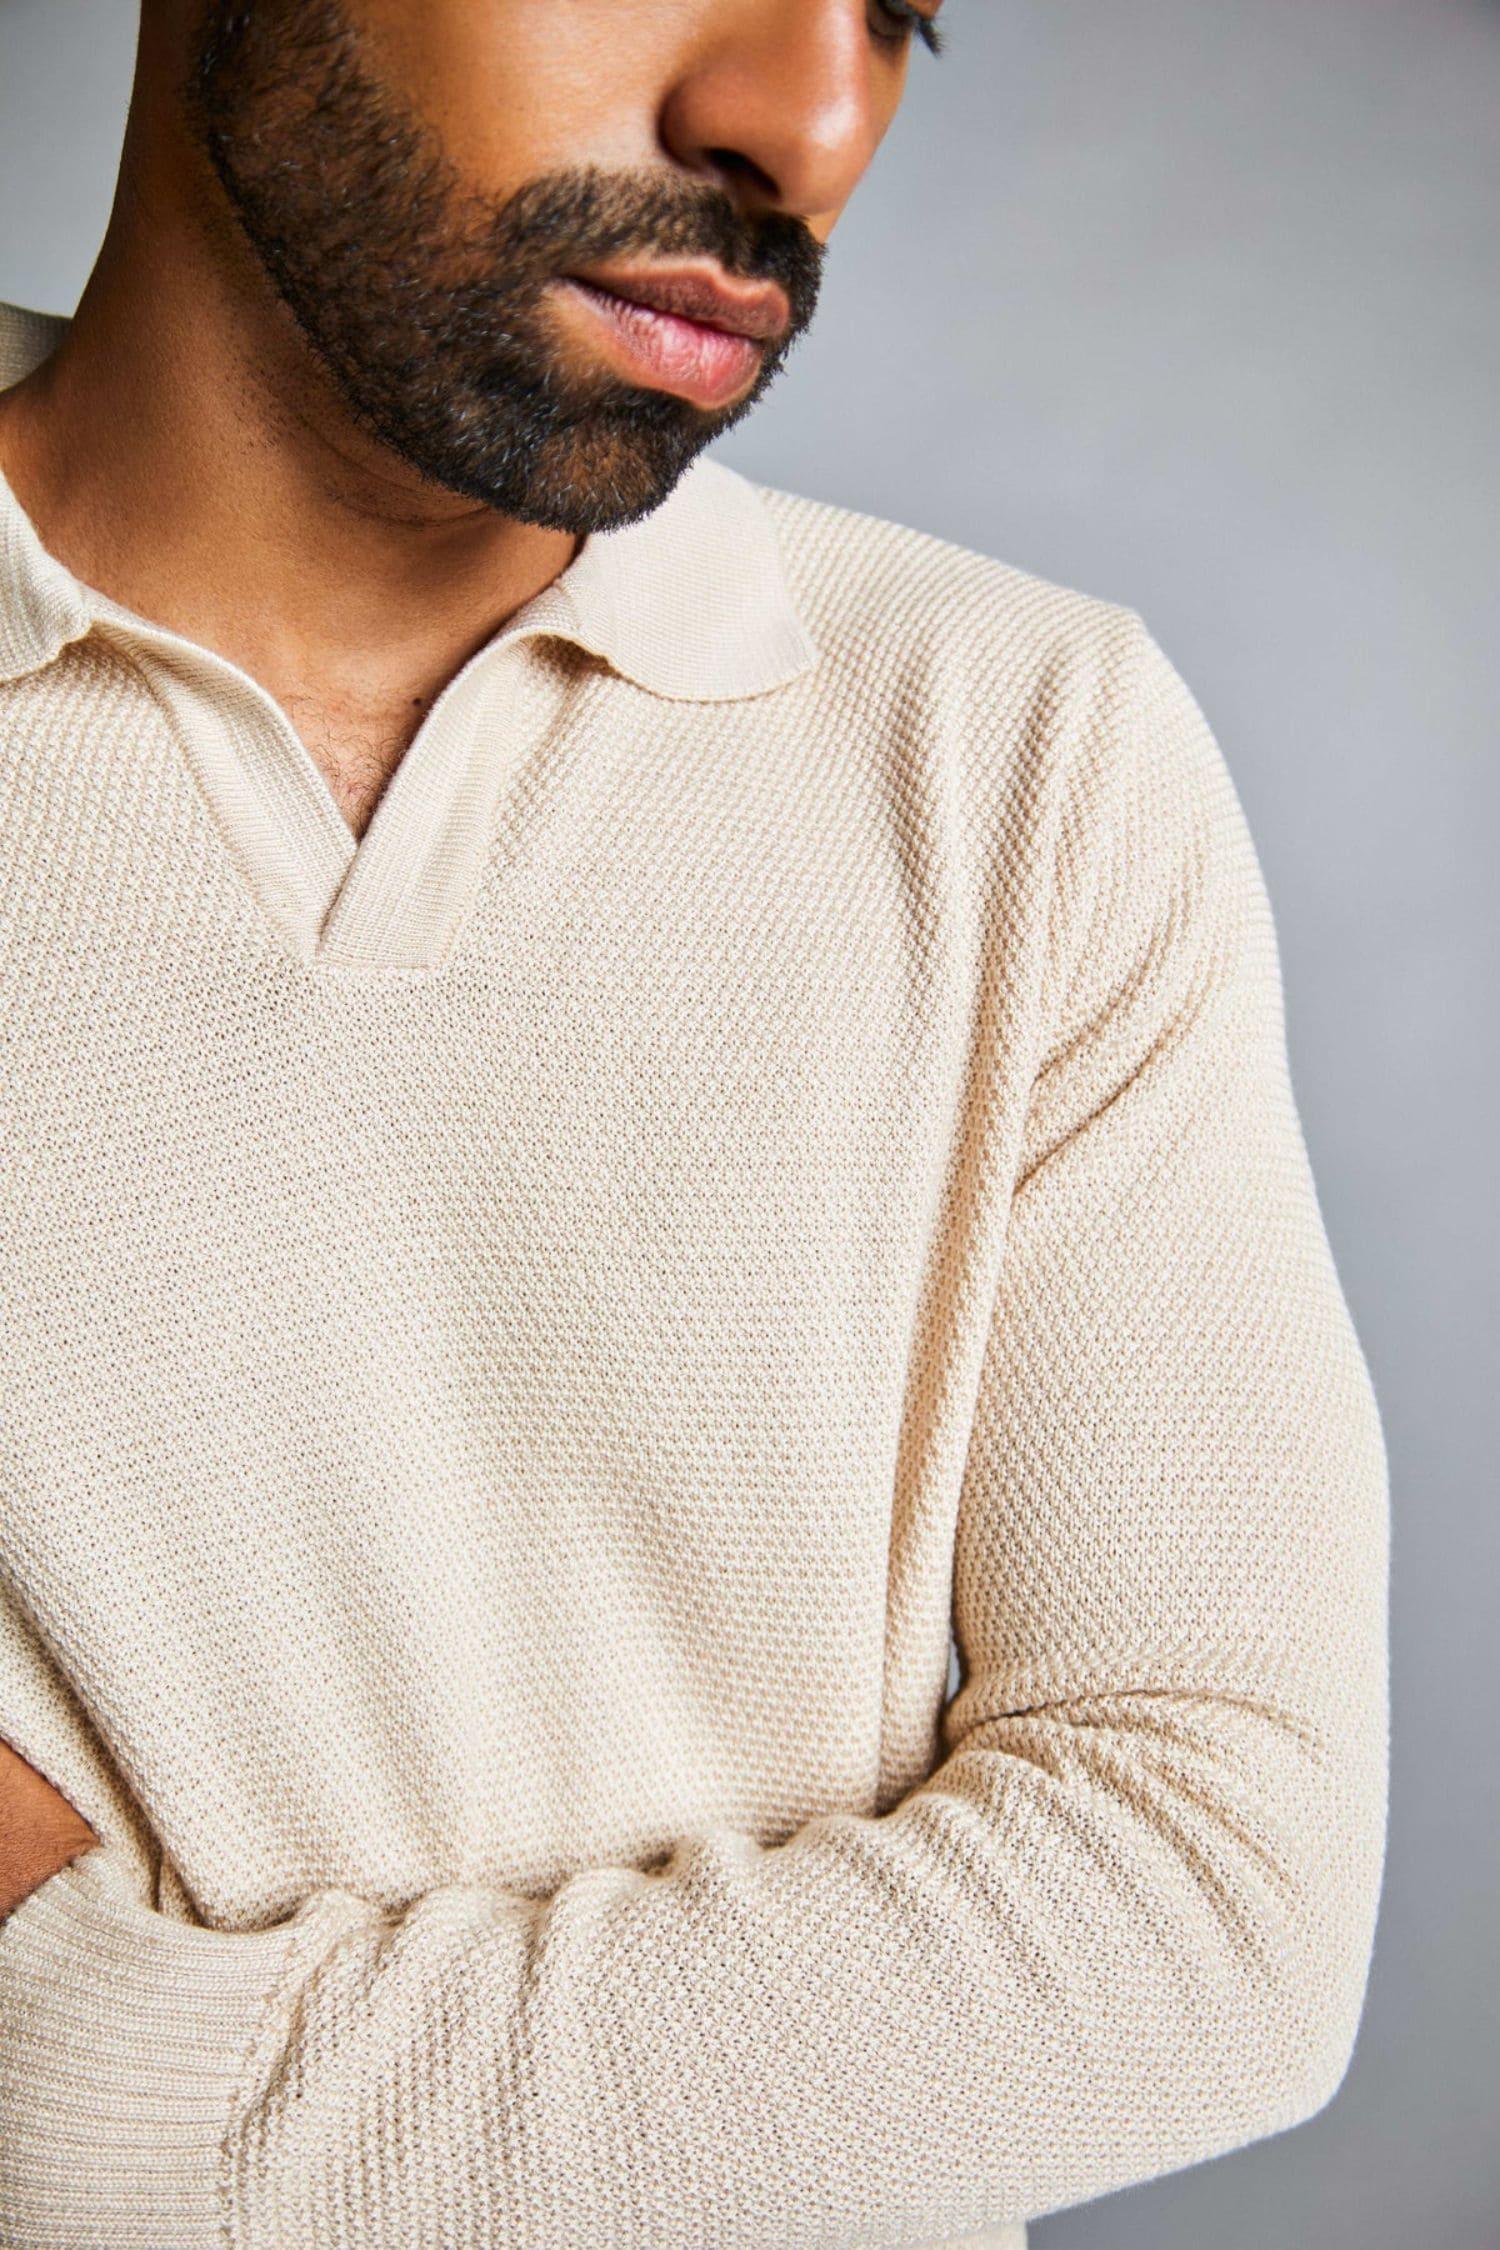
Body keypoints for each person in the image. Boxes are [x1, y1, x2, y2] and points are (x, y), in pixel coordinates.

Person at [0, 3, 1389, 2245]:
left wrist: (80, 2067)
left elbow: (1208, 1906)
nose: (804, 125)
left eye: (901, 15)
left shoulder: (1021, 747)